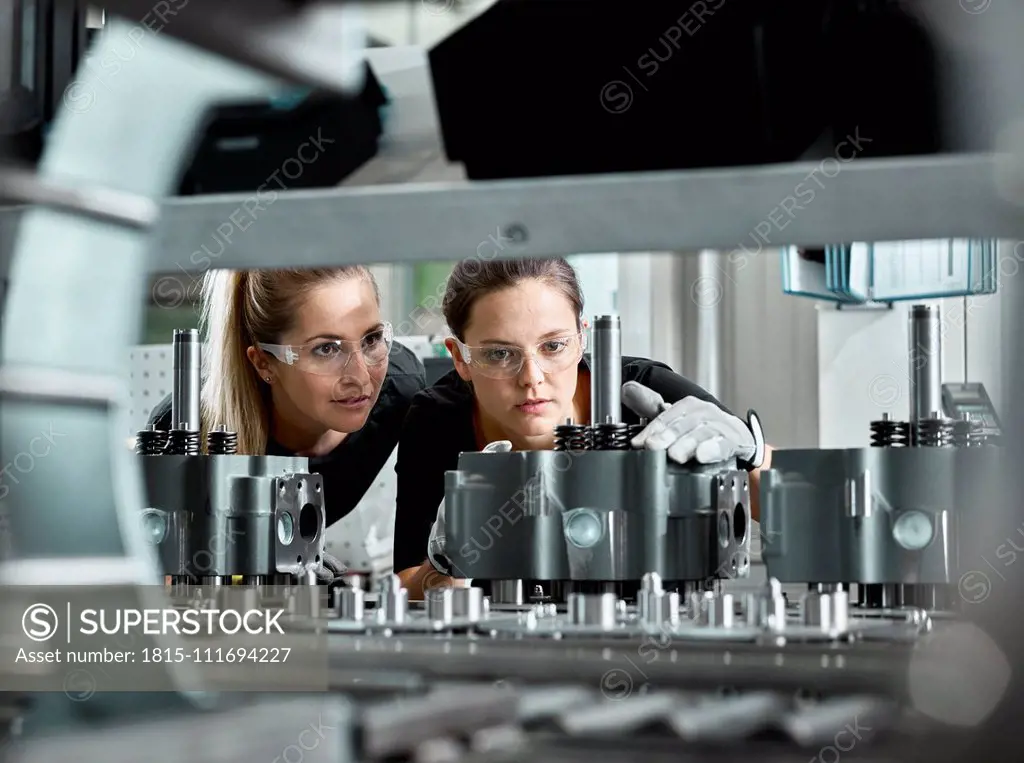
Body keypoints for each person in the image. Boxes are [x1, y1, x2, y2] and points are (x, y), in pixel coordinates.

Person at [392, 257, 771, 597]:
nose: (531, 378)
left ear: (582, 338)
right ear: (460, 358)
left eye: (553, 346)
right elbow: (411, 585)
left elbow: (793, 504)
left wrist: (751, 454)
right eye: (499, 354)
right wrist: (445, 565)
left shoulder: (642, 393)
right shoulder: (437, 421)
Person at [148, 266, 426, 530]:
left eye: (371, 339)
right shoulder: (182, 432)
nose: (361, 378)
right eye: (326, 349)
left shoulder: (400, 392)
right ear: (263, 363)